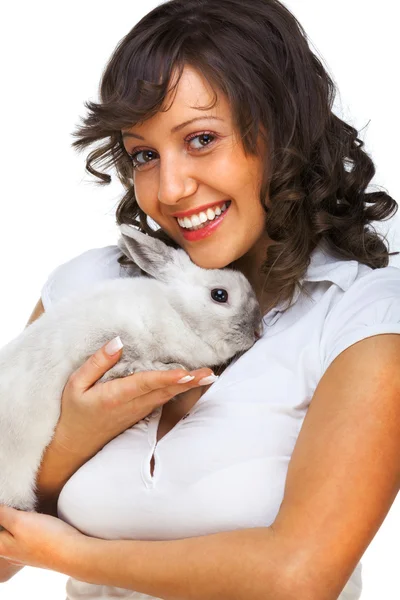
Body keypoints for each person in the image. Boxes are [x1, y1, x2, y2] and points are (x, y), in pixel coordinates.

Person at [0, 0, 399, 598]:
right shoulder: (88, 292)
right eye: (144, 154)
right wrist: (68, 445)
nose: (171, 188)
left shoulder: (359, 319)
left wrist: (70, 553)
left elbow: (299, 576)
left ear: (284, 132)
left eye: (202, 139)